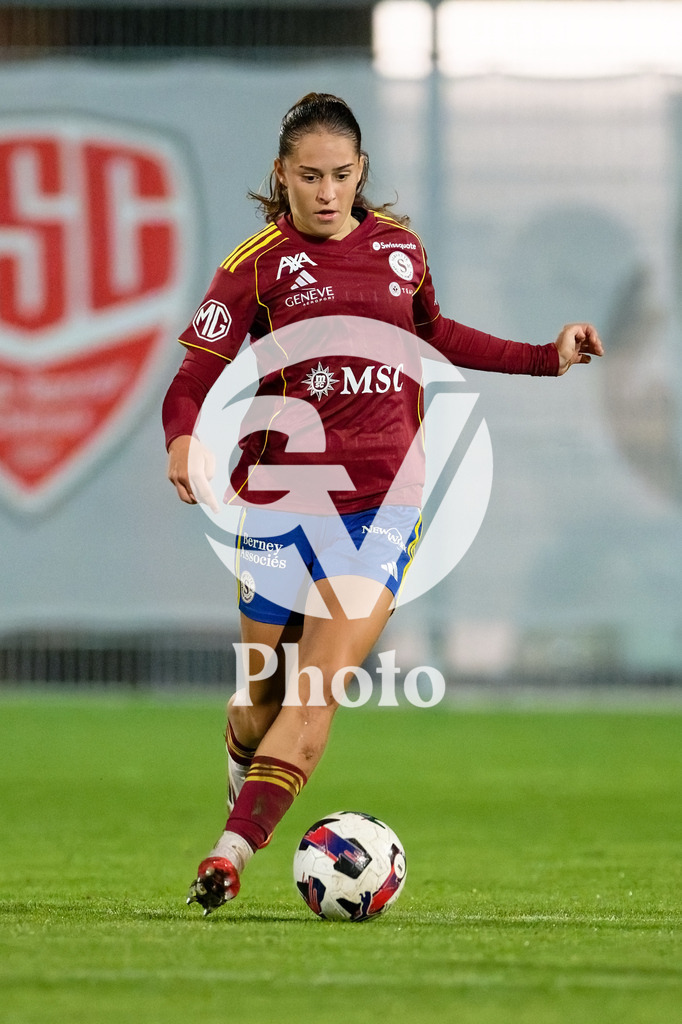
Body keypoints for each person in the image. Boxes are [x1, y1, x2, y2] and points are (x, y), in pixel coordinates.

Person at [162, 92, 603, 915]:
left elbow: (436, 333)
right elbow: (191, 377)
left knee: (315, 690)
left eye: (340, 174)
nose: (327, 191)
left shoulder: (401, 250)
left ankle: (229, 854)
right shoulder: (255, 265)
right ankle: (245, 779)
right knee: (260, 699)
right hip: (282, 502)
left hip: (380, 509)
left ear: (361, 170)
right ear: (281, 175)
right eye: (309, 177)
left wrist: (547, 357)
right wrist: (182, 438)